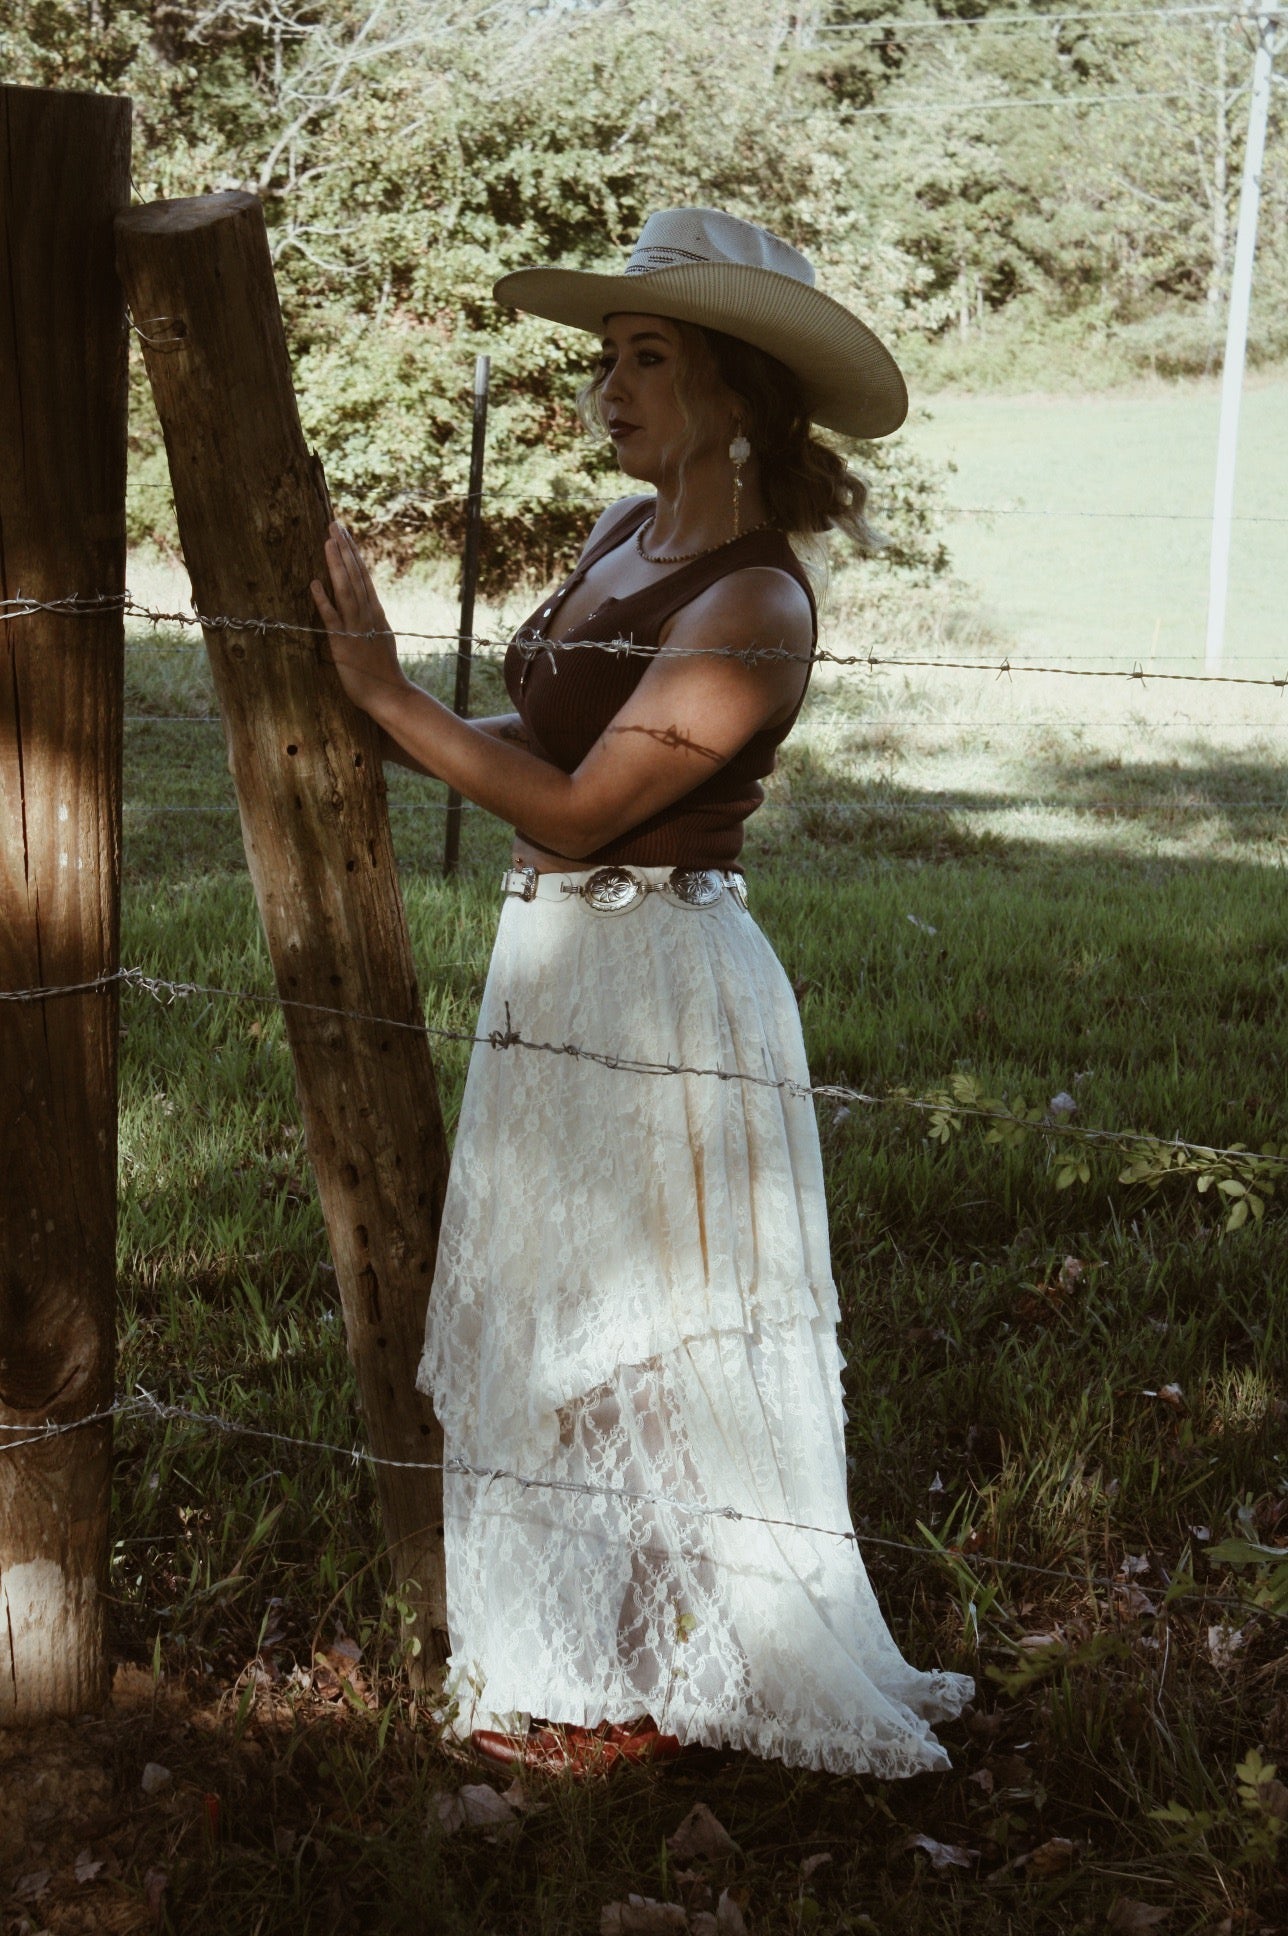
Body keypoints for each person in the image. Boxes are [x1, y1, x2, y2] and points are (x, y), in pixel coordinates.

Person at [310, 207, 973, 1779]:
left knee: (661, 1322)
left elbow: (582, 808)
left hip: (665, 975)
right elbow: (553, 738)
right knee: (555, 1308)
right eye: (607, 360)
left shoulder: (756, 603)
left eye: (651, 360)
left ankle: (717, 1647)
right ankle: (575, 1649)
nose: (612, 391)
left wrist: (386, 695)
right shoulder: (625, 542)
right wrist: (387, 708)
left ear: (739, 389)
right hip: (556, 961)